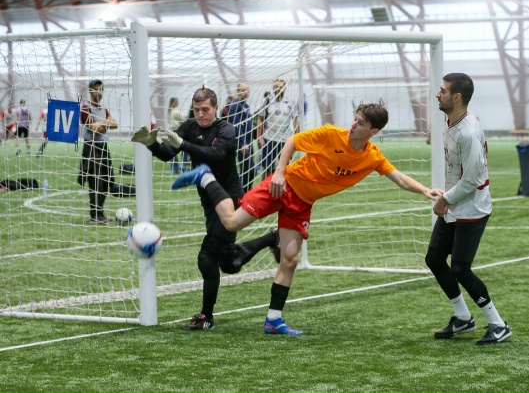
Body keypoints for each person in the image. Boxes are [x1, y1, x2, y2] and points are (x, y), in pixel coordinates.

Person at [171, 102, 443, 335]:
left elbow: (399, 178)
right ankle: (205, 176)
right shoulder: (330, 134)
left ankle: (273, 320)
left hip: (302, 203)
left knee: (289, 259)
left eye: (360, 123)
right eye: (355, 119)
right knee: (231, 223)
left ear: (373, 131)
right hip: (283, 185)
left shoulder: (372, 157)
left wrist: (425, 190)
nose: (353, 125)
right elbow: (293, 141)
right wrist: (279, 172)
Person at [131, 86, 280, 331]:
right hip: (208, 199)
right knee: (229, 262)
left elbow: (216, 155)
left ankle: (206, 317)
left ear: (215, 108)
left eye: (205, 109)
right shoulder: (189, 126)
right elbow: (168, 153)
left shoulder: (226, 129)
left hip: (229, 197)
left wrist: (183, 145)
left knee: (207, 257)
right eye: (197, 109)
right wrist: (151, 143)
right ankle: (273, 237)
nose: (200, 114)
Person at [426, 73, 512, 345]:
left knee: (461, 269)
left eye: (442, 91)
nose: (438, 94)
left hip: (472, 208)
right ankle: (463, 318)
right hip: (455, 204)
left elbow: (472, 180)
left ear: (457, 97)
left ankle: (498, 324)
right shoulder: (451, 121)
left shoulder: (469, 132)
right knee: (434, 259)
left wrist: (445, 199)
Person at [77, 79, 119, 223]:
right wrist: (106, 123)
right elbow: (93, 128)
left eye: (100, 89)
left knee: (106, 180)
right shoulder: (85, 108)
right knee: (95, 181)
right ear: (90, 91)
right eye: (96, 89)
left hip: (103, 147)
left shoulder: (103, 109)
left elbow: (115, 124)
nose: (98, 91)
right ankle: (95, 215)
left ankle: (100, 213)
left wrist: (102, 123)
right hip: (91, 147)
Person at [257, 79, 299, 179]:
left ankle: (284, 187)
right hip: (269, 138)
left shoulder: (290, 102)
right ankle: (265, 187)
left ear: (284, 88)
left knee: (286, 168)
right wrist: (259, 137)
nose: (278, 89)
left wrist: (297, 137)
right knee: (267, 169)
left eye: (280, 87)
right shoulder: (267, 101)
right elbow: (260, 119)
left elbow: (295, 120)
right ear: (273, 88)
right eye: (276, 87)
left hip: (285, 140)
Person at [228, 83, 256, 193]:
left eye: (247, 90)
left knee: (249, 170)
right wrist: (242, 143)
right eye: (243, 90)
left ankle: (245, 193)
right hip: (242, 145)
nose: (246, 92)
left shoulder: (245, 106)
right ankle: (241, 193)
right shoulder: (235, 105)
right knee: (248, 169)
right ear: (238, 91)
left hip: (249, 143)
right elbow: (236, 125)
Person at [167, 97, 185, 174]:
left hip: (171, 131)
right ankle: (182, 165)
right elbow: (184, 119)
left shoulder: (169, 111)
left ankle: (174, 168)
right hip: (176, 131)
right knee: (184, 148)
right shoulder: (176, 112)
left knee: (172, 150)